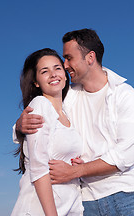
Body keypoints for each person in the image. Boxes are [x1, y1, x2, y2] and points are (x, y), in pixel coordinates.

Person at [14, 29, 134, 216]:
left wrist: (74, 172)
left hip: (127, 195)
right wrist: (19, 126)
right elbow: (44, 117)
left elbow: (125, 156)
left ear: (90, 58)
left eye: (69, 58)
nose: (65, 65)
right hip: (86, 200)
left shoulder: (125, 95)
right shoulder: (69, 96)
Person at [11, 48, 84, 216]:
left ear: (65, 75)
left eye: (57, 68)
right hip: (39, 210)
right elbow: (39, 168)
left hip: (69, 207)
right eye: (44, 71)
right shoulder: (40, 105)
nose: (53, 74)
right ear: (36, 82)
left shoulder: (68, 112)